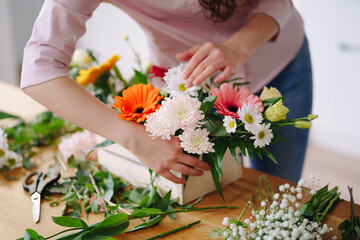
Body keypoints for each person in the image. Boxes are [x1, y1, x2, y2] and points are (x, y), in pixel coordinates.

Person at [21, 0, 312, 183]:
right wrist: (133, 137)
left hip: (279, 64)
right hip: (188, 85)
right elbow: (40, 68)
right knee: (216, 194)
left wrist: (238, 47)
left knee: (279, 185)